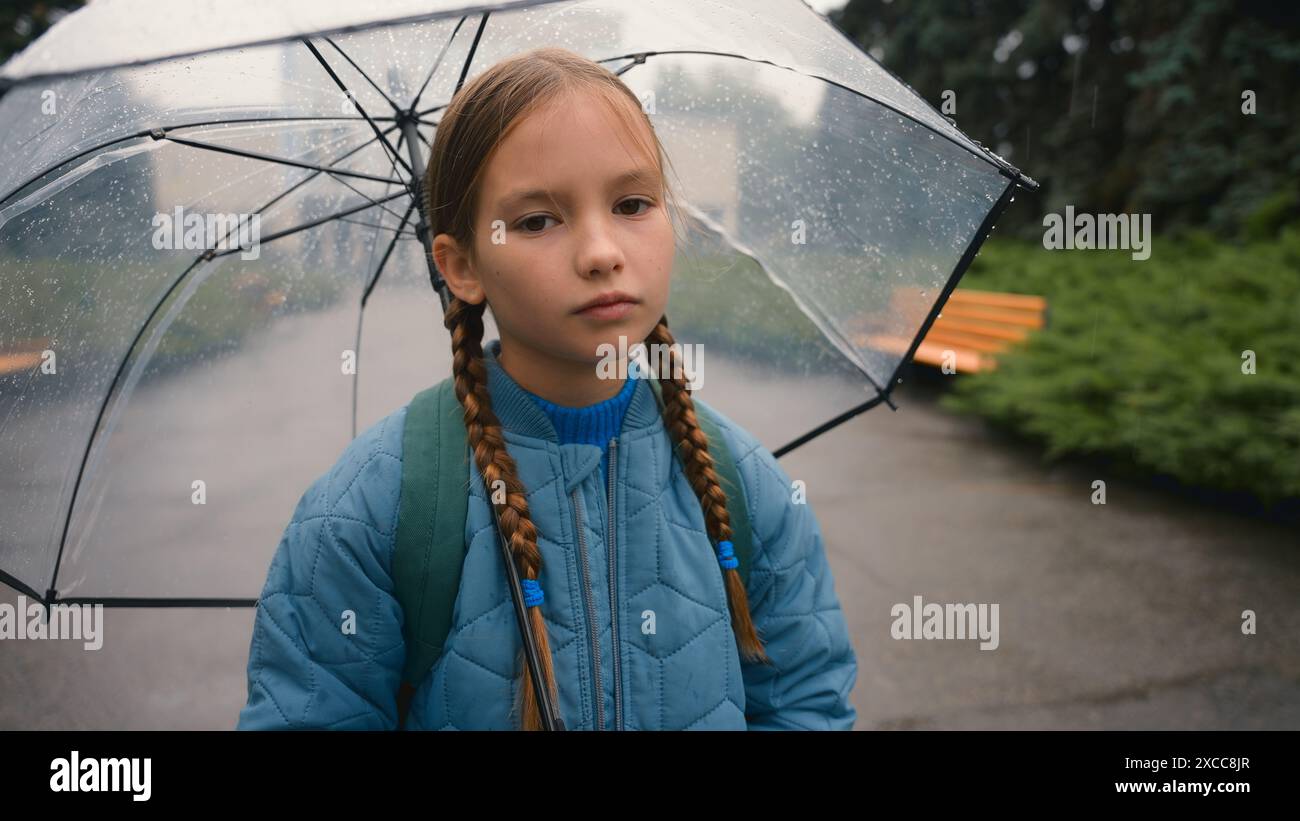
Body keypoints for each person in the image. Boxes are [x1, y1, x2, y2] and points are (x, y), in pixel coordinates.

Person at [237, 46, 856, 731]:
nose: (600, 251)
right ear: (461, 266)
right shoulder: (367, 511)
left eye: (631, 203)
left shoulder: (748, 488)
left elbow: (806, 703)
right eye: (536, 220)